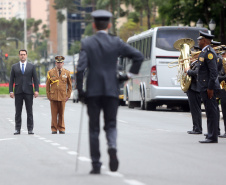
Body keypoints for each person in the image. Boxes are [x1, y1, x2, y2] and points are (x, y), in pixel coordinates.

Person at [76, 10, 144, 174]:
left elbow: (80, 69)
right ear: (109, 25)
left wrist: (80, 91)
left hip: (93, 91)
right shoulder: (116, 42)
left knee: (93, 129)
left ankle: (96, 164)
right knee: (111, 125)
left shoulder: (87, 43)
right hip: (112, 90)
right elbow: (138, 56)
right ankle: (112, 147)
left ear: (93, 25)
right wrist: (126, 76)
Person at [196, 31, 220, 143]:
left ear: (204, 41)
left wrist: (210, 88)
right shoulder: (204, 52)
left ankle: (213, 136)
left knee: (211, 112)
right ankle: (211, 134)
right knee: (209, 112)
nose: (198, 41)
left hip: (208, 87)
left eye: (200, 39)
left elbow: (213, 72)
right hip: (204, 86)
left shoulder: (210, 53)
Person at [9, 49, 39, 135]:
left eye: (24, 54)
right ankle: (17, 129)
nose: (22, 56)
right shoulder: (14, 67)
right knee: (18, 112)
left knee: (29, 111)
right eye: (21, 54)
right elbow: (11, 80)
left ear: (26, 55)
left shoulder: (31, 66)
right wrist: (11, 91)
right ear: (19, 56)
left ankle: (30, 129)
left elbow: (35, 79)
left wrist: (36, 90)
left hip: (29, 92)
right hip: (18, 92)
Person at [46, 56, 72, 134]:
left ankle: (61, 128)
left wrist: (68, 95)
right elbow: (47, 85)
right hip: (53, 96)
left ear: (63, 63)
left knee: (61, 113)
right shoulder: (50, 72)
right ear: (55, 63)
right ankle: (54, 128)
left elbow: (70, 85)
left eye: (61, 63)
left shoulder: (67, 72)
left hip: (63, 96)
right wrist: (48, 95)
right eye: (58, 63)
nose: (59, 64)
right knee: (54, 113)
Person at [185, 47, 202, 134]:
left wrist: (188, 71)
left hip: (196, 88)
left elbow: (196, 73)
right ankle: (195, 127)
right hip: (192, 88)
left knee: (196, 109)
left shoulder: (199, 63)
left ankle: (198, 128)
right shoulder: (194, 63)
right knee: (193, 109)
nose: (191, 56)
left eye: (193, 54)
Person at [218, 46, 226, 138]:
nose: (222, 56)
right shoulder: (222, 62)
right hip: (223, 89)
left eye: (223, 54)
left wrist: (219, 78)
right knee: (224, 111)